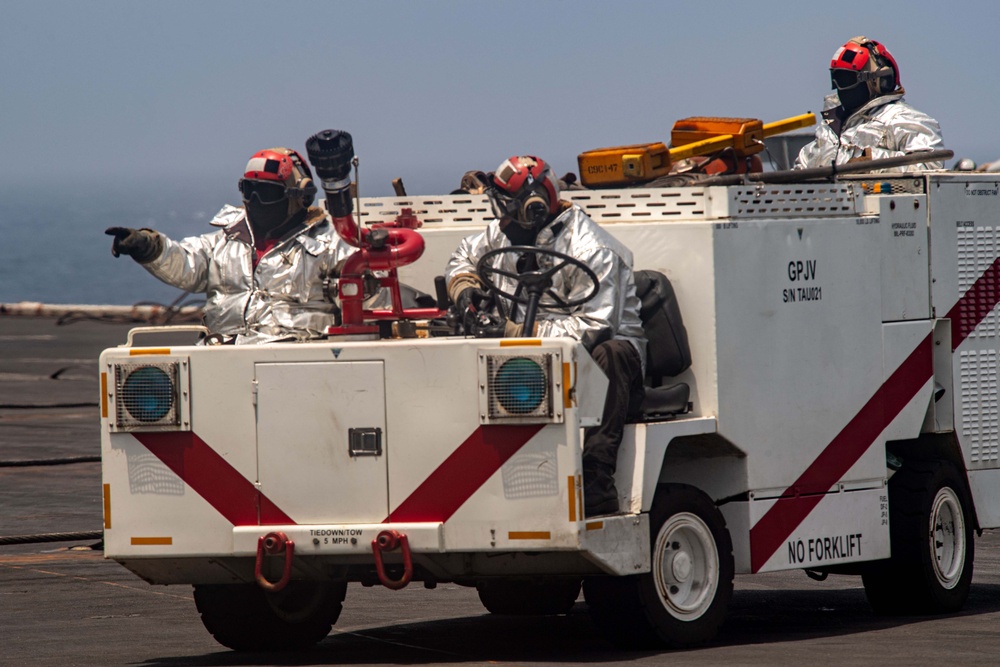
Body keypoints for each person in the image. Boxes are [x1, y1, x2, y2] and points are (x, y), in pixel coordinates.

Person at [445, 155, 646, 517]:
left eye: (506, 208)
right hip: (534, 353)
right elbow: (463, 255)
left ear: (534, 207)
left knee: (612, 353)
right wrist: (465, 289)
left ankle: (598, 476)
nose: (500, 218)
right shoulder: (506, 232)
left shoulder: (593, 249)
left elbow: (593, 327)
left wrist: (516, 331)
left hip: (608, 367)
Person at [105, 148, 353, 343]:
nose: (254, 200)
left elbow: (364, 312)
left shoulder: (330, 246)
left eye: (266, 193)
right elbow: (187, 263)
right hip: (221, 356)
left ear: (298, 196)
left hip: (297, 361)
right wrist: (148, 246)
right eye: (249, 189)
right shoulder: (225, 242)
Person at [795, 36, 945, 172]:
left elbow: (930, 165)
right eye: (836, 79)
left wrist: (872, 162)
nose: (839, 87)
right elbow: (801, 168)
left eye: (846, 80)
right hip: (828, 202)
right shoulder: (831, 126)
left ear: (876, 81)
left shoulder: (903, 119)